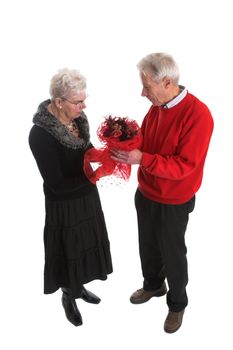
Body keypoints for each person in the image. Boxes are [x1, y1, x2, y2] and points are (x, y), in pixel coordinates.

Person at [111, 53, 214, 333]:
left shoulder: (198, 114)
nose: (142, 93)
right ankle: (154, 286)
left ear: (167, 82)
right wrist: (127, 137)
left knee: (173, 254)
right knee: (148, 247)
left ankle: (177, 304)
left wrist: (142, 159)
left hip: (174, 199)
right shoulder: (158, 106)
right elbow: (147, 140)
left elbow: (185, 166)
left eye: (146, 87)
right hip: (146, 191)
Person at [29, 68, 113, 327]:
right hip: (63, 203)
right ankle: (69, 295)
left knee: (86, 242)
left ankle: (80, 287)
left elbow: (84, 148)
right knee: (69, 249)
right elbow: (55, 185)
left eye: (83, 100)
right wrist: (95, 177)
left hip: (86, 196)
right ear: (58, 102)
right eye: (78, 101)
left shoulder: (76, 118)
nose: (84, 106)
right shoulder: (40, 134)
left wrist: (106, 155)